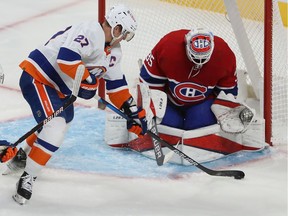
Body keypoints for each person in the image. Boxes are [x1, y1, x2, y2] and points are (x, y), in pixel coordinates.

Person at [1, 4, 147, 205]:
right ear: (117, 28)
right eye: (125, 34)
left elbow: (116, 84)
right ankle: (28, 177)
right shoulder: (90, 31)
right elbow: (66, 59)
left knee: (62, 123)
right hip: (39, 78)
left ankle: (21, 156)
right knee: (55, 126)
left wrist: (131, 110)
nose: (124, 39)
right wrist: (88, 80)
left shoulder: (114, 52)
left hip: (60, 88)